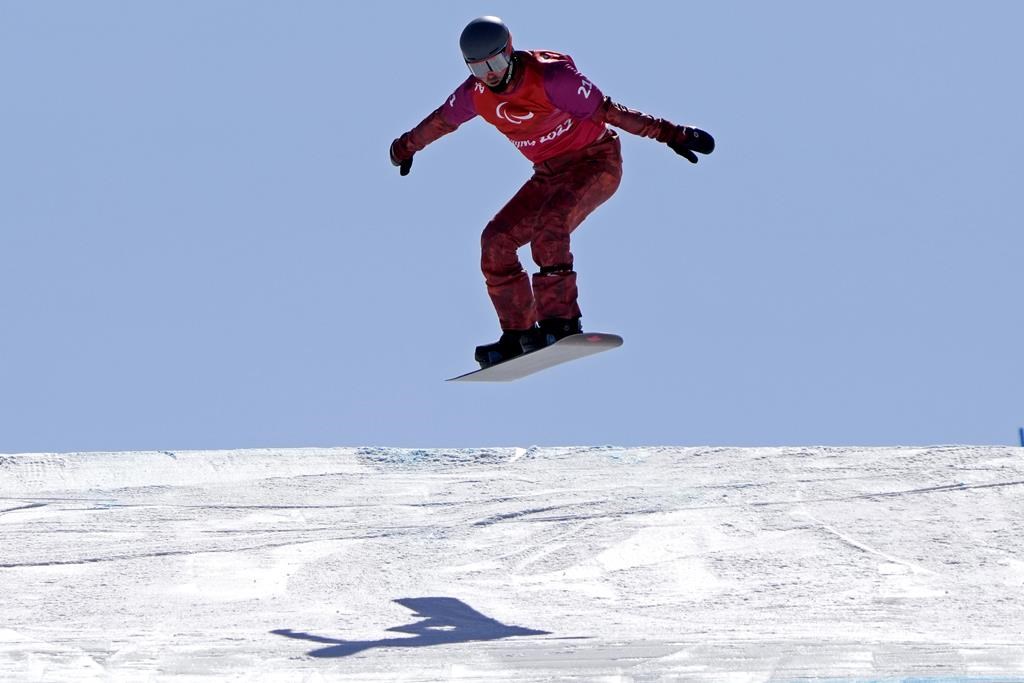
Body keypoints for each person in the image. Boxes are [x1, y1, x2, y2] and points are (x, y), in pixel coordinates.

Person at [389, 16, 715, 369]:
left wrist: (671, 134)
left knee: (550, 225)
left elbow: (612, 113)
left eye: (496, 63)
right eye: (479, 68)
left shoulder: (551, 78)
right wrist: (405, 147)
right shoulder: (475, 94)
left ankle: (561, 322)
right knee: (496, 241)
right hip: (548, 174)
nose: (491, 75)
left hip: (595, 163)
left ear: (509, 52)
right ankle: (518, 334)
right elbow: (440, 121)